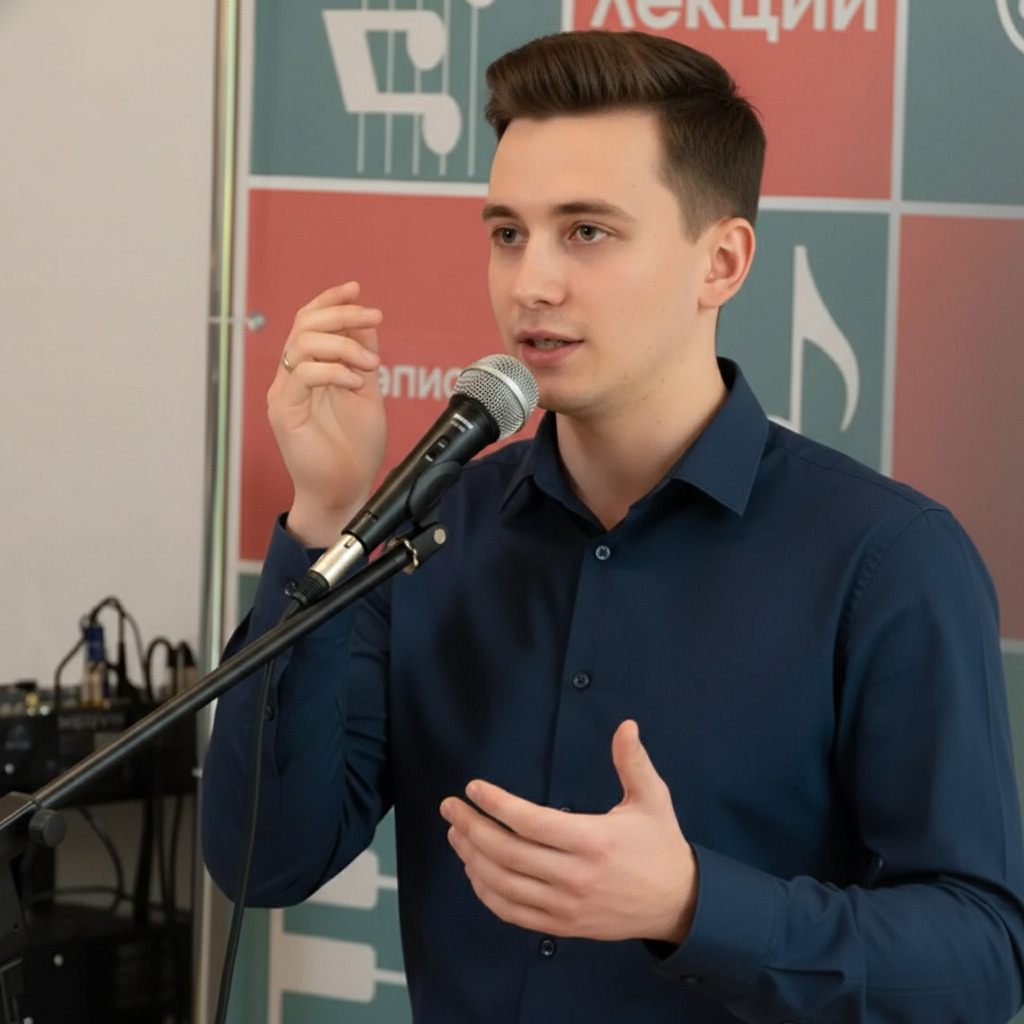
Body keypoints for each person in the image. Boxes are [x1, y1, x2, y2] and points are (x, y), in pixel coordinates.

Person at [201, 29, 1024, 1023]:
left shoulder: (886, 558)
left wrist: (691, 905)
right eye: (508, 233)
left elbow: (979, 960)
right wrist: (327, 516)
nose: (531, 284)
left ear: (721, 261)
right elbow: (264, 859)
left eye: (586, 231)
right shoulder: (430, 535)